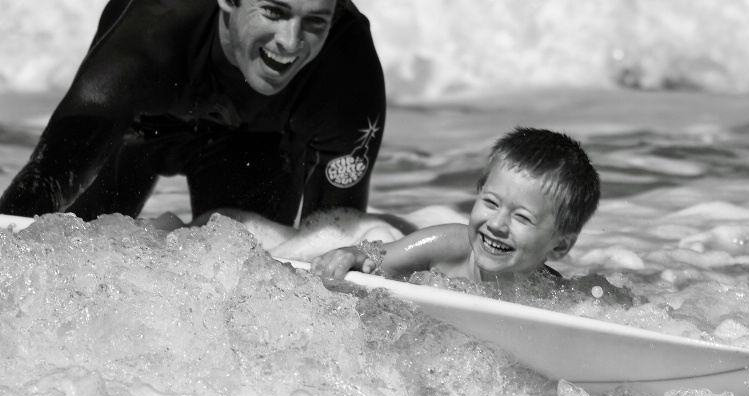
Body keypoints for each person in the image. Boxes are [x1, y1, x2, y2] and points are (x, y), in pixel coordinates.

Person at [0, 0, 385, 229]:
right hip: (136, 126)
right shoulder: (152, 34)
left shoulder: (348, 70)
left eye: (316, 21)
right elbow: (40, 187)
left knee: (246, 278)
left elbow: (333, 236)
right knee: (69, 236)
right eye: (272, 10)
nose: (290, 42)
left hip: (255, 145)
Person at [310, 127, 601, 282]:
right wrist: (349, 256)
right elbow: (372, 258)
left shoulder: (553, 295)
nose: (497, 224)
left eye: (522, 218)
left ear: (560, 246)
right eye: (490, 202)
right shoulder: (449, 246)